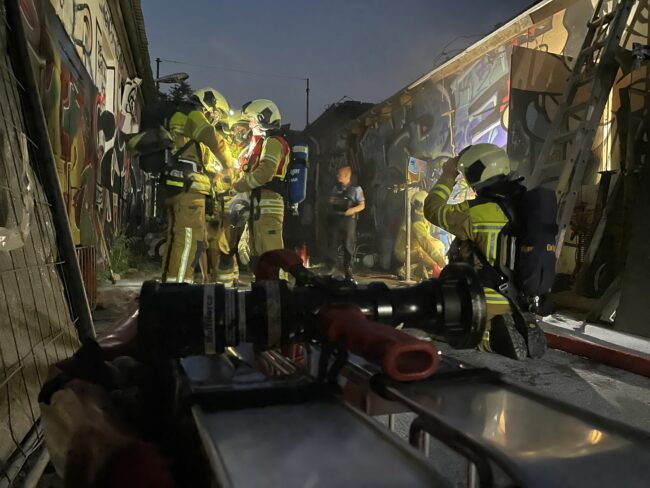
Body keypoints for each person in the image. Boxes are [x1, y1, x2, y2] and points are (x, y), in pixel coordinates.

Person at [423, 143, 545, 360]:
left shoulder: (476, 212)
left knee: (433, 322)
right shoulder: (524, 206)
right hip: (520, 299)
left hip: (483, 300)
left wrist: (449, 174)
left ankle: (490, 338)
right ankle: (520, 326)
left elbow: (433, 209)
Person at [161, 87, 232, 284]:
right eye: (215, 114)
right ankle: (180, 287)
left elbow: (198, 155)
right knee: (189, 239)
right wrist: (229, 164)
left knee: (179, 238)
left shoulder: (178, 117)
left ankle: (169, 283)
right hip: (189, 189)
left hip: (177, 186)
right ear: (209, 106)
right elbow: (212, 138)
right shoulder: (192, 114)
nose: (214, 119)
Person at [233, 99, 291, 269]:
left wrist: (236, 187)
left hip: (268, 204)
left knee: (272, 253)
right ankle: (265, 289)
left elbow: (264, 173)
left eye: (251, 119)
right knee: (257, 252)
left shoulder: (273, 142)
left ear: (261, 118)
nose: (249, 124)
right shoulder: (263, 143)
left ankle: (280, 290)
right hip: (259, 204)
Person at [394, 191, 446, 281]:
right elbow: (425, 242)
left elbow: (428, 238)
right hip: (404, 252)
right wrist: (439, 262)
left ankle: (426, 269)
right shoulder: (416, 221)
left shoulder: (421, 217)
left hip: (414, 247)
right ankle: (405, 271)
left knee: (439, 245)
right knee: (423, 254)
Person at [326, 166, 365, 279]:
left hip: (349, 220)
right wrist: (332, 201)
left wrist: (352, 210)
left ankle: (348, 269)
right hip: (336, 219)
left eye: (340, 174)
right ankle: (331, 267)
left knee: (348, 245)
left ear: (347, 176)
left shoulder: (356, 189)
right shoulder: (336, 188)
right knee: (332, 243)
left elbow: (362, 205)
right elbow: (331, 201)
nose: (338, 176)